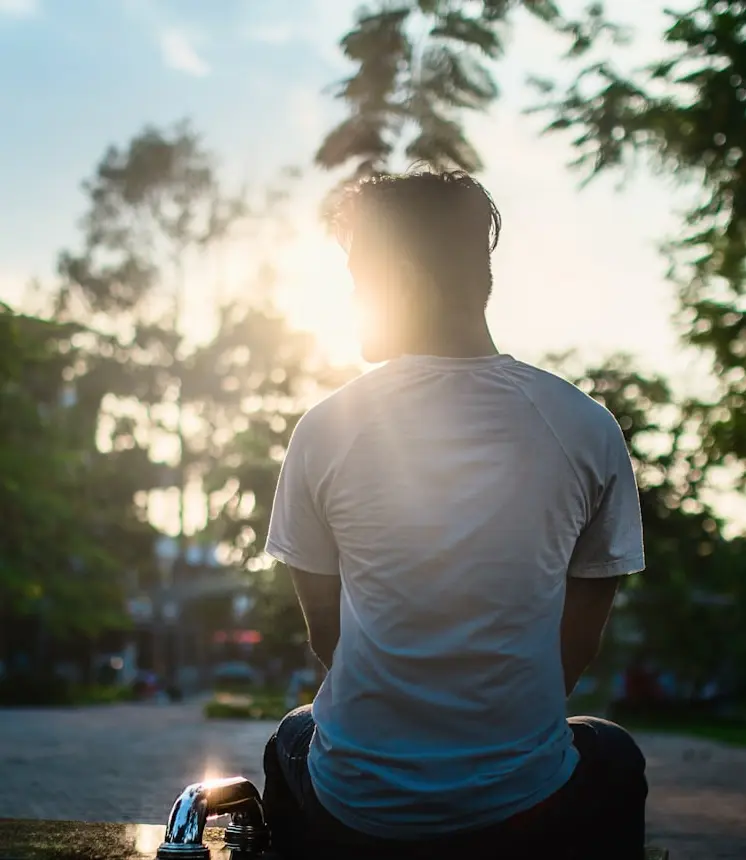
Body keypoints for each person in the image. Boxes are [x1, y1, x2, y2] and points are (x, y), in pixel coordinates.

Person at [262, 170, 648, 859]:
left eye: (360, 279)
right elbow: (575, 648)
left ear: (404, 280)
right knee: (613, 752)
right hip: (521, 804)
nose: (351, 300)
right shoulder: (585, 427)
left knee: (292, 735)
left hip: (357, 807)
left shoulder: (326, 428)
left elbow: (328, 639)